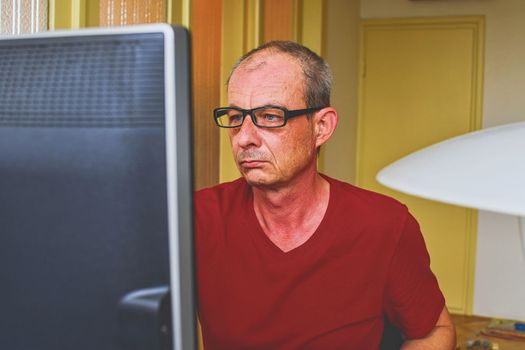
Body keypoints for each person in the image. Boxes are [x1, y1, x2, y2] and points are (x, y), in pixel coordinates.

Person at [194, 40, 456, 350]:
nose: (245, 138)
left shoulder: (384, 224)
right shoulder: (196, 218)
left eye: (269, 116)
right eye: (236, 117)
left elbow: (434, 331)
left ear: (321, 127)